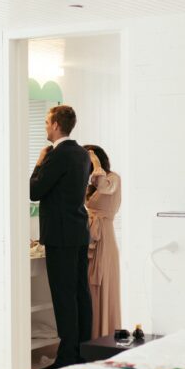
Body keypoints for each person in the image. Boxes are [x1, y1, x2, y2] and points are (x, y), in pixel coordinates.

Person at [30, 105, 93, 369]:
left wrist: (39, 161)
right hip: (78, 231)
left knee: (64, 296)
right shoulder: (83, 154)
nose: (45, 127)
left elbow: (34, 190)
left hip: (60, 234)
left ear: (56, 125)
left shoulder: (58, 155)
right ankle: (83, 351)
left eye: (46, 122)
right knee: (80, 292)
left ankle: (67, 357)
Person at [83, 145, 121, 338]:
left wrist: (95, 160)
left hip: (104, 239)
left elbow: (104, 187)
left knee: (103, 287)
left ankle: (104, 336)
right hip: (89, 237)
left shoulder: (112, 179)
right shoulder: (90, 182)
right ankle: (90, 337)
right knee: (90, 290)